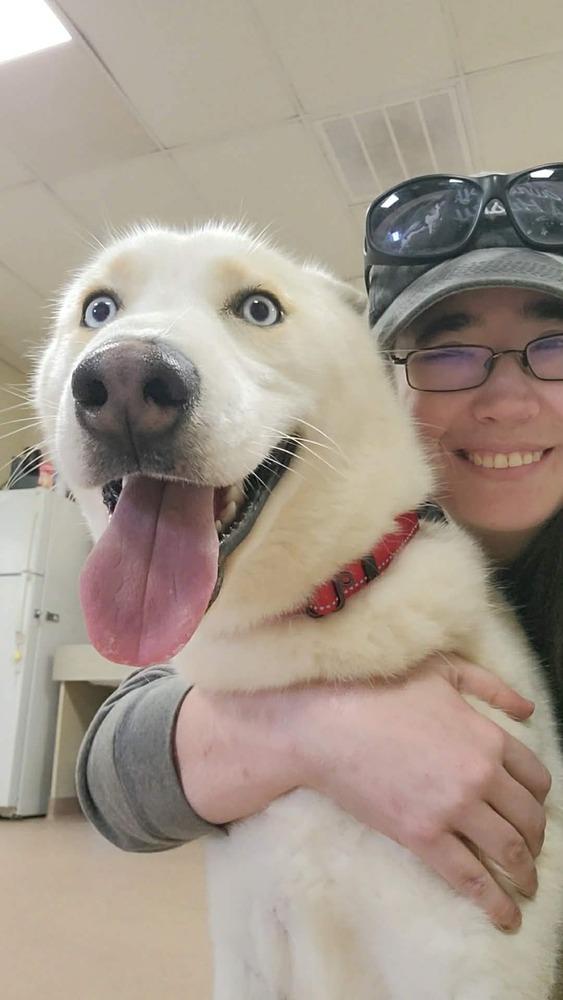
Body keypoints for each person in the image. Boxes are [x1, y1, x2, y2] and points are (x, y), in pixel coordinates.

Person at [77, 163, 563, 938]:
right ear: (382, 381)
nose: (506, 402)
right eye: (447, 352)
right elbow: (113, 774)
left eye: (554, 345)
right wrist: (315, 729)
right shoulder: (292, 557)